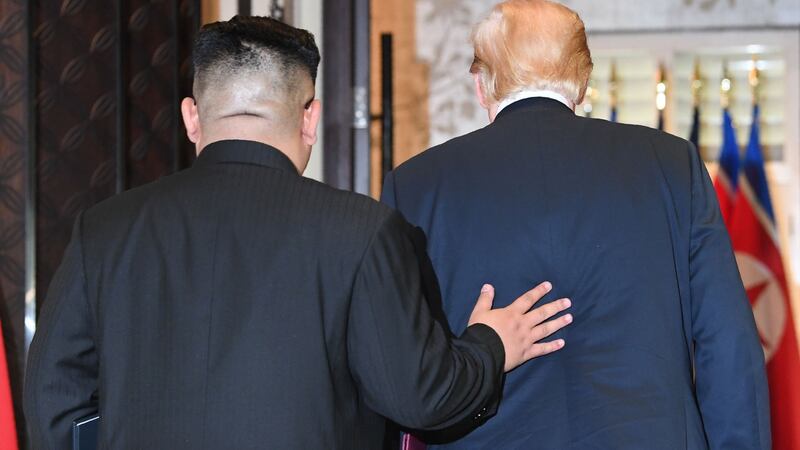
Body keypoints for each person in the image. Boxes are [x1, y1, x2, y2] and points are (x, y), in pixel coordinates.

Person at [23, 16, 574, 450]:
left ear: (192, 117)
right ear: (309, 118)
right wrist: (491, 345)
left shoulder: (105, 230)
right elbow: (419, 396)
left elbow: (54, 396)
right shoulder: (362, 230)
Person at [382, 1, 770, 449]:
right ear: (583, 81)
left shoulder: (415, 186)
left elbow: (402, 370)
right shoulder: (672, 165)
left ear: (480, 84)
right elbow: (729, 348)